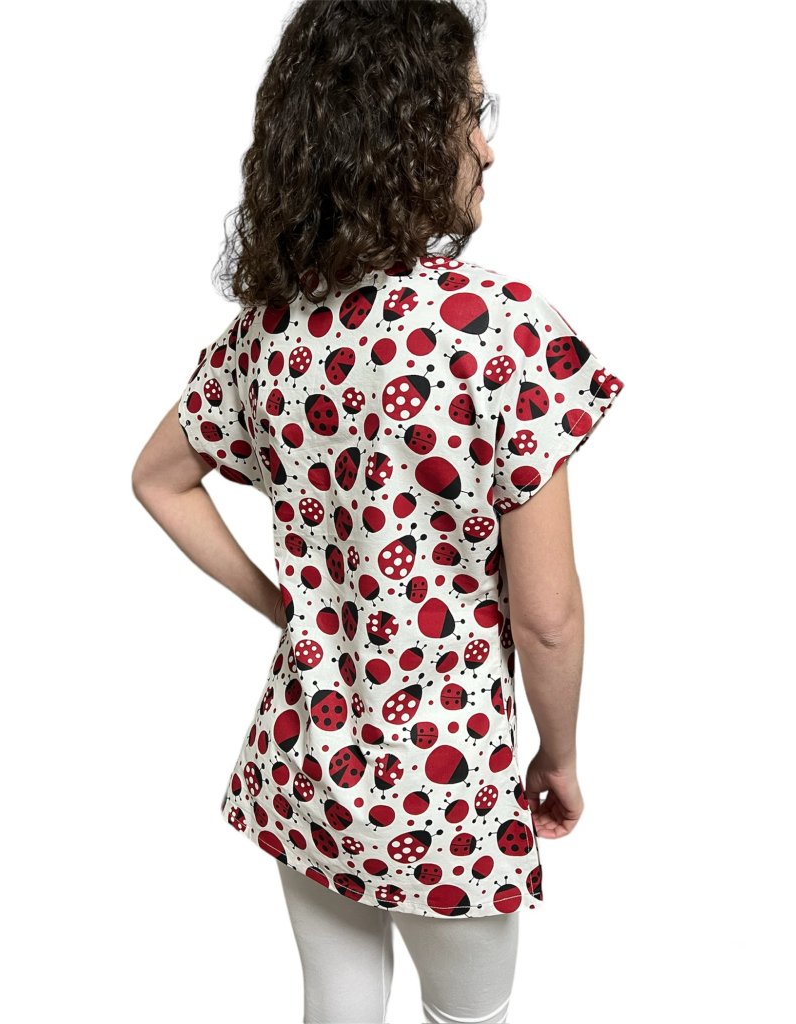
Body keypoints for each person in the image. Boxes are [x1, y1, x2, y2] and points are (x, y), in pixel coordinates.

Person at [132, 2, 625, 1021]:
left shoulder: (268, 335)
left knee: (337, 1002)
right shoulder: (496, 331)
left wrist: (292, 609)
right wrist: (561, 755)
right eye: (471, 115)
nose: (487, 147)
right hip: (447, 784)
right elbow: (547, 617)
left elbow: (159, 479)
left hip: (308, 761)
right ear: (404, 130)